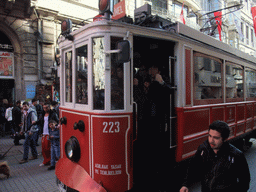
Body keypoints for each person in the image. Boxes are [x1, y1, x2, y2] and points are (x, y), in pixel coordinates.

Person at [180, 120, 251, 192]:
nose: (211, 140)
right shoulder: (203, 149)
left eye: (216, 138)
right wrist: (185, 185)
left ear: (225, 139)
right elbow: (193, 167)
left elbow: (244, 181)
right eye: (210, 136)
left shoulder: (236, 155)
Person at [37, 102, 59, 167]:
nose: (45, 109)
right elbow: (40, 122)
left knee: (49, 148)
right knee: (44, 148)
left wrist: (54, 129)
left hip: (50, 132)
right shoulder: (42, 114)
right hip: (44, 132)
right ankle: (46, 161)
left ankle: (51, 160)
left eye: (46, 107)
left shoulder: (53, 114)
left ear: (49, 107)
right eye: (44, 108)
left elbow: (57, 122)